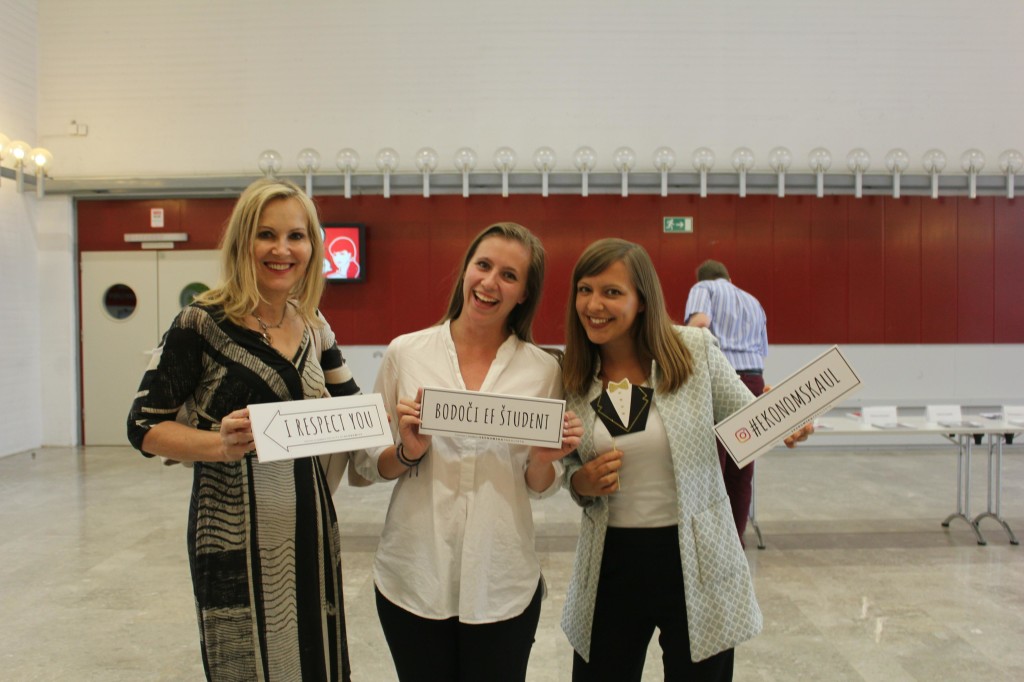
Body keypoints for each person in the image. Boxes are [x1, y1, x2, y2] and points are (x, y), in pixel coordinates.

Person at [127, 179, 359, 681]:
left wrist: (401, 421)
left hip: (310, 528)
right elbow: (143, 425)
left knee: (317, 661)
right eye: (266, 235)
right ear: (241, 242)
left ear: (312, 247)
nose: (282, 250)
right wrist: (218, 444)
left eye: (296, 236)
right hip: (233, 533)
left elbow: (352, 410)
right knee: (247, 667)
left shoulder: (315, 325)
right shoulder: (199, 323)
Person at [559, 239, 809, 681]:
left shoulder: (693, 350)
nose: (594, 305)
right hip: (610, 561)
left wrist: (785, 422)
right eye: (585, 290)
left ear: (641, 300)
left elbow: (747, 418)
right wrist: (582, 482)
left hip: (697, 555)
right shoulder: (574, 376)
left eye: (612, 292)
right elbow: (566, 466)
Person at [351, 222, 582, 682]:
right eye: (483, 265)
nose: (490, 282)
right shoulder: (406, 353)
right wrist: (407, 451)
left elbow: (540, 487)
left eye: (509, 275)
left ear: (524, 293)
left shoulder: (543, 370)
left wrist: (543, 460)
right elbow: (366, 463)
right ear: (465, 271)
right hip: (414, 576)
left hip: (501, 582)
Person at [684, 259, 768, 545]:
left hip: (720, 378)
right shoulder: (754, 301)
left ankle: (712, 543)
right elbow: (761, 348)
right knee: (742, 467)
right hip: (753, 379)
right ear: (730, 278)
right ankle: (736, 540)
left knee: (713, 464)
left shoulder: (703, 288)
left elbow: (700, 324)